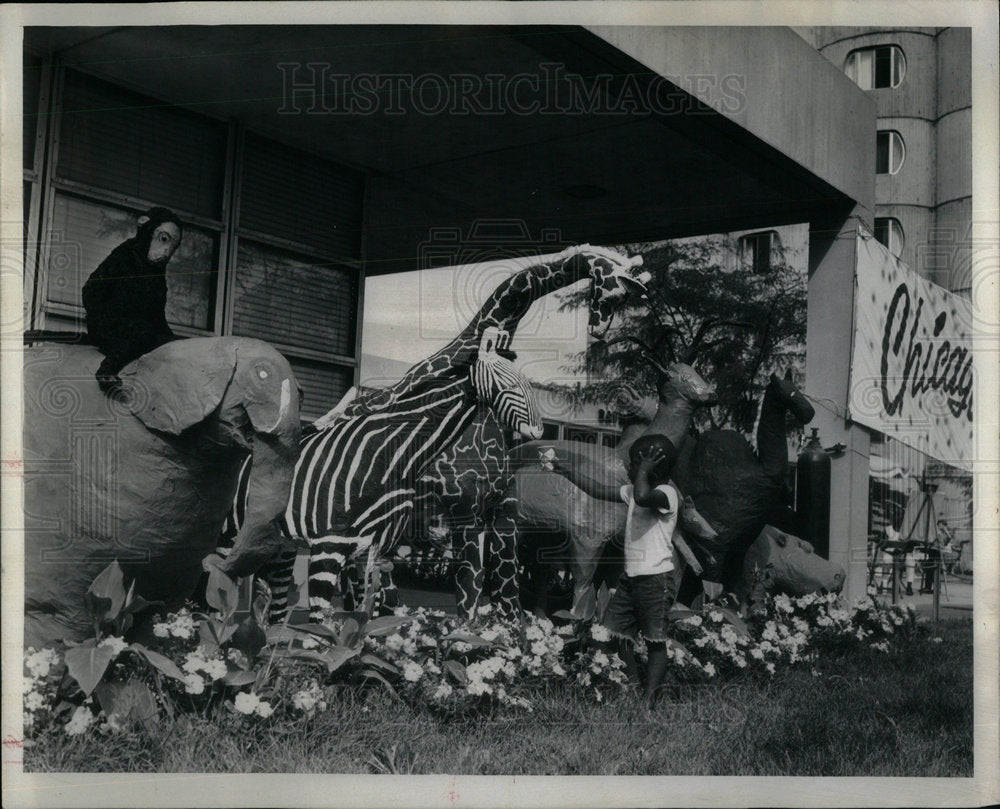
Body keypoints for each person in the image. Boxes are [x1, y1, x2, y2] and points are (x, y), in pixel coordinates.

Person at [551, 433, 681, 709]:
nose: (629, 470)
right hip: (631, 579)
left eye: (634, 464)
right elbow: (599, 490)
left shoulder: (667, 494)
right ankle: (633, 684)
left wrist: (643, 470)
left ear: (653, 466)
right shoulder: (635, 491)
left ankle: (650, 700)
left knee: (655, 640)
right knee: (616, 633)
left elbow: (645, 496)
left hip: (657, 581)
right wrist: (567, 471)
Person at [81, 207, 183, 393]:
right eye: (163, 239)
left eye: (172, 247)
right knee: (141, 333)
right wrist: (107, 317)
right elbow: (91, 290)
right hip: (108, 325)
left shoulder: (156, 273)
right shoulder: (124, 255)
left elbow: (157, 314)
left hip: (135, 327)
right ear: (147, 228)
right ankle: (107, 370)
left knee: (168, 342)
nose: (167, 252)